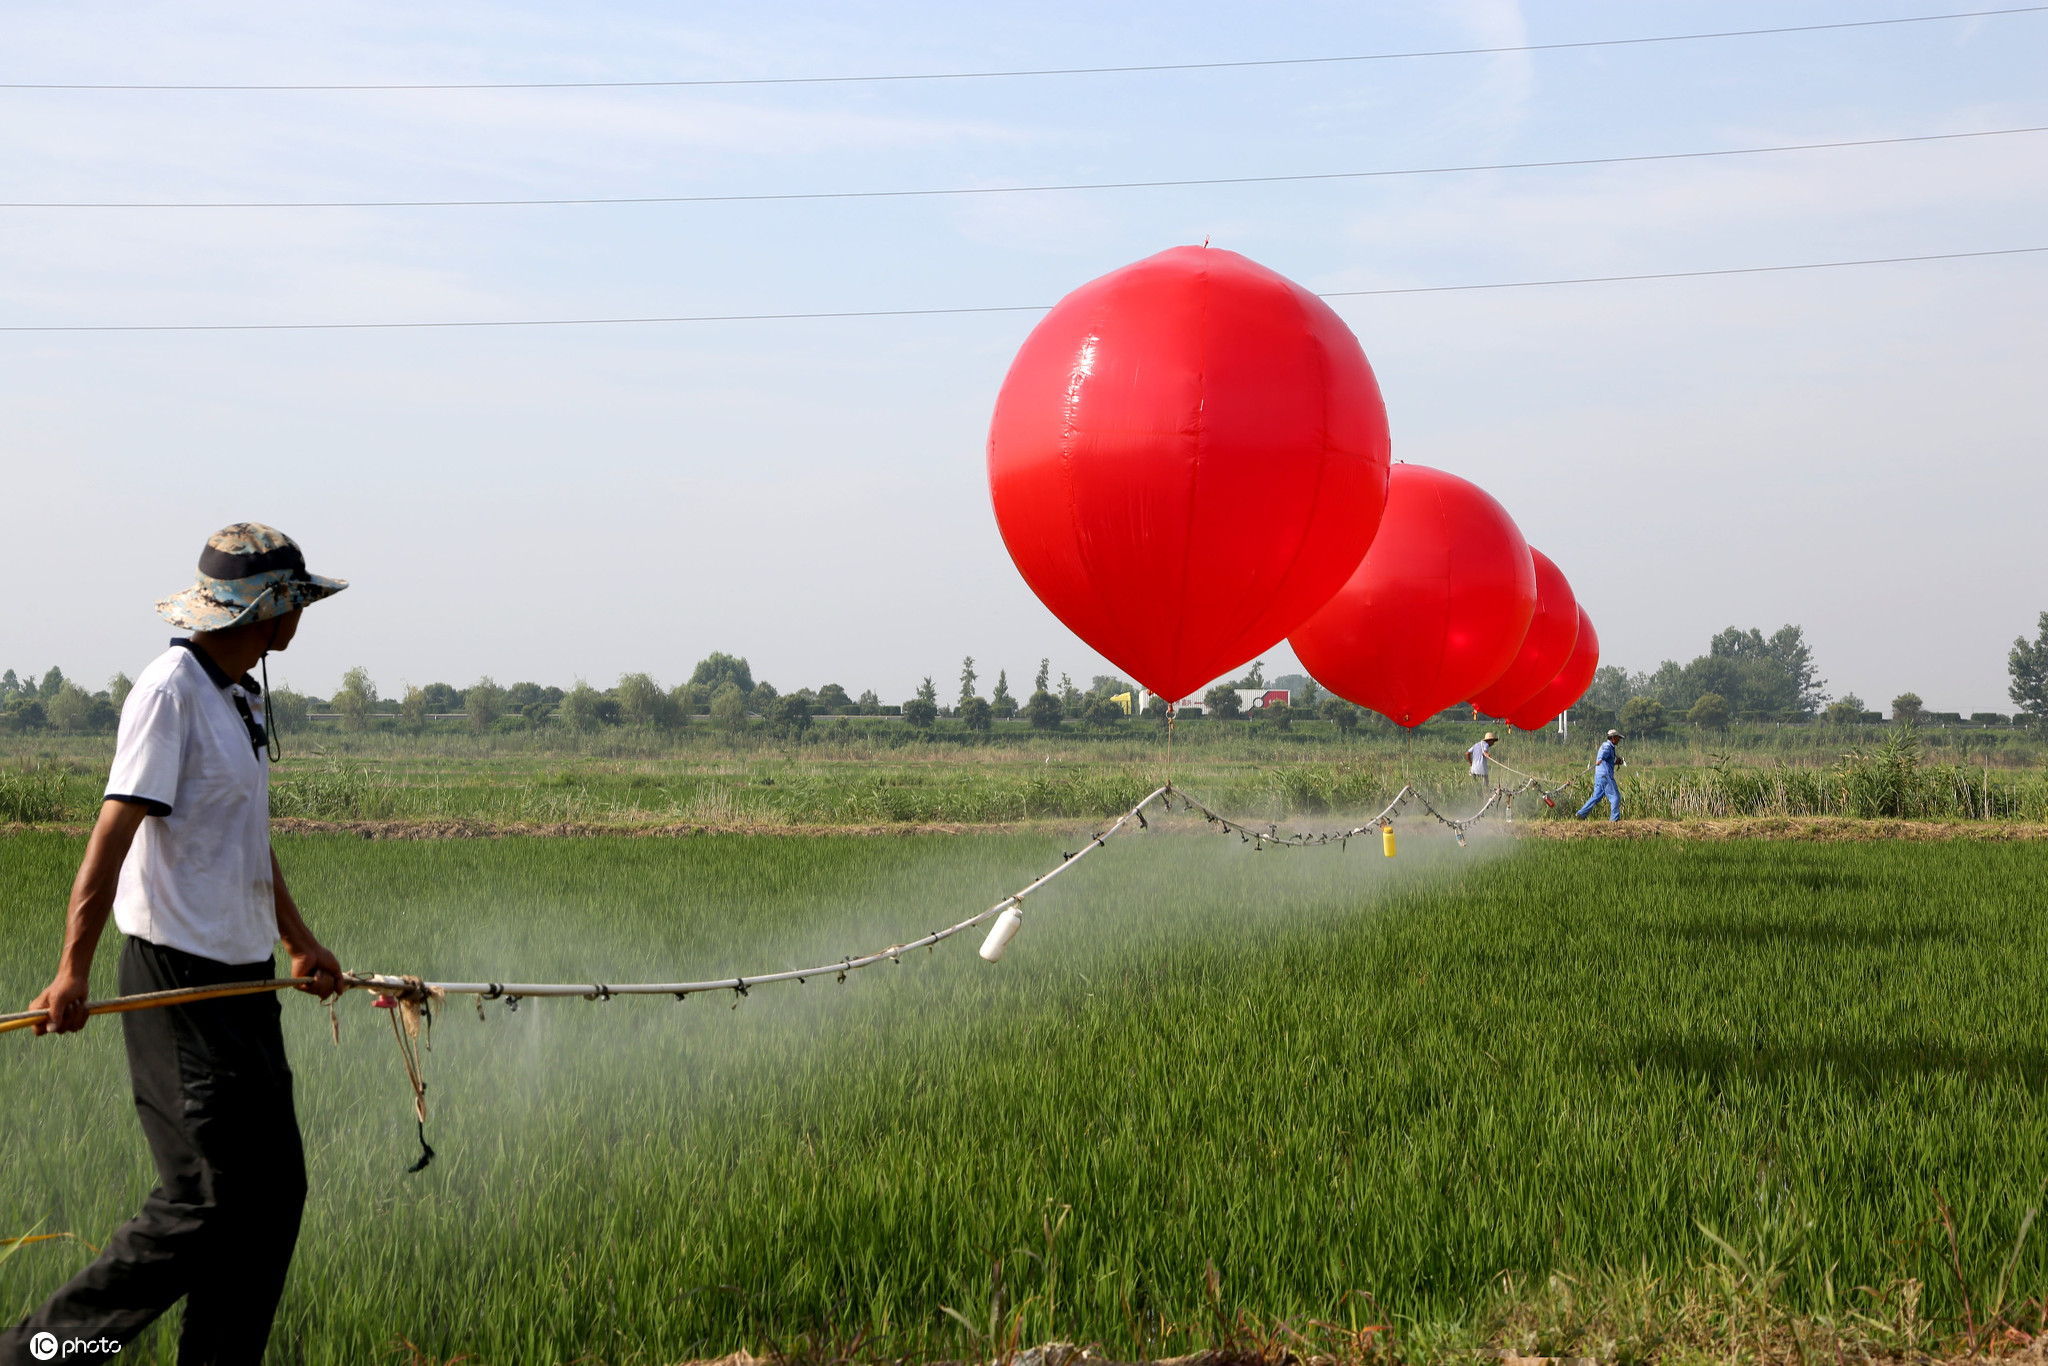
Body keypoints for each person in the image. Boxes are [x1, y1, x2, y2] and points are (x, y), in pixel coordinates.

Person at [4, 524, 348, 1366]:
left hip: (244, 981)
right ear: (270, 613)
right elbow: (112, 833)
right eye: (295, 602)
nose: (301, 618)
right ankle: (38, 1357)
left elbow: (245, 841)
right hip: (176, 979)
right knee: (206, 1198)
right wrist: (70, 970)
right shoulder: (170, 691)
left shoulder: (241, 698)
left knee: (273, 1197)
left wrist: (301, 944)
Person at [1575, 728, 1625, 822]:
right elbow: (1603, 755)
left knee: (1596, 797)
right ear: (1613, 738)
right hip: (1606, 775)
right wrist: (1601, 758)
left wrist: (1615, 761)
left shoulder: (1608, 746)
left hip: (1599, 775)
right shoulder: (1607, 746)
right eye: (1618, 738)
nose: (1619, 740)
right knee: (1615, 796)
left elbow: (1607, 759)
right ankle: (1614, 819)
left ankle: (1581, 814)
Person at [1466, 730, 1498, 797]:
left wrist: (1471, 763)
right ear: (1489, 740)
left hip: (1474, 769)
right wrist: (1487, 754)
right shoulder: (1486, 745)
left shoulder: (1476, 745)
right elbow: (1485, 751)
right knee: (1485, 786)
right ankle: (1485, 797)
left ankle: (1476, 797)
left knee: (1475, 786)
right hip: (1482, 769)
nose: (1493, 743)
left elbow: (1467, 753)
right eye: (1492, 741)